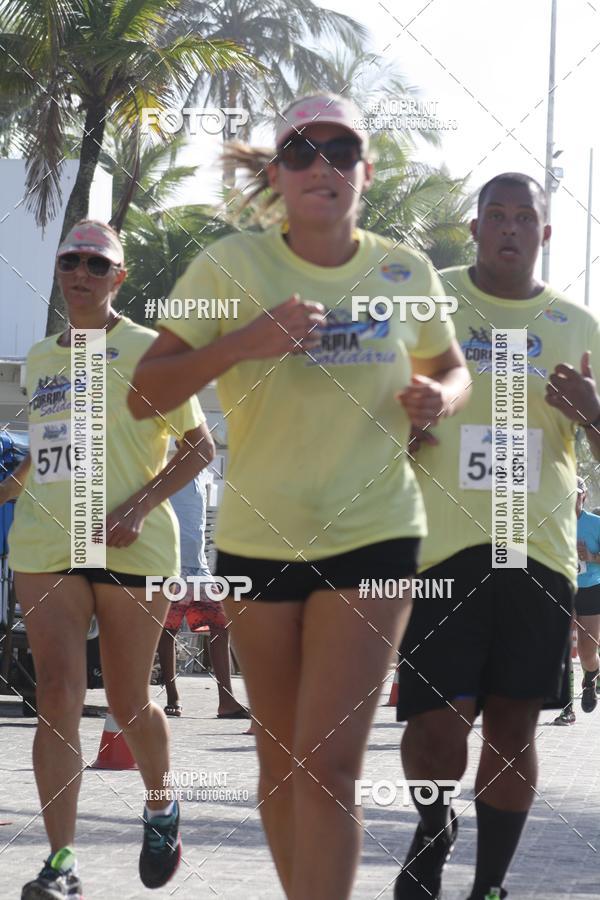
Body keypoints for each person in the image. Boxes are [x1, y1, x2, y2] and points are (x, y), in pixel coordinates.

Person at [128, 93, 471, 900]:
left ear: (366, 172)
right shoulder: (228, 268)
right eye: (303, 150)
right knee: (280, 767)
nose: (323, 164)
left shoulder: (403, 269)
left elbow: (451, 366)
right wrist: (248, 341)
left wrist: (440, 398)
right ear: (278, 173)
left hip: (377, 536)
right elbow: (146, 393)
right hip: (259, 539)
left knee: (328, 764)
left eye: (341, 150)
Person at [394, 173, 600, 900]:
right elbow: (366, 409)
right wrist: (401, 426)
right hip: (441, 549)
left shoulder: (580, 326)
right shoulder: (431, 303)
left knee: (514, 727)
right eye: (496, 216)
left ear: (545, 234)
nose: (510, 228)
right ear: (475, 226)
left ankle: (488, 887)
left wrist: (594, 413)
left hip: (538, 550)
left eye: (525, 218)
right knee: (435, 724)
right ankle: (430, 828)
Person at [0, 220, 213, 900]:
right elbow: (49, 446)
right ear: (59, 272)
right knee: (57, 695)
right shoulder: (40, 358)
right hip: (45, 543)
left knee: (127, 700)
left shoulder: (151, 351)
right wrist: (14, 483)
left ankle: (160, 803)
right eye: (72, 261)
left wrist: (139, 506)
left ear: (118, 277)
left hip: (130, 543)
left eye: (97, 263)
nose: (82, 272)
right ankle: (61, 864)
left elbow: (199, 448)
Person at [157, 468, 249, 718]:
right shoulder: (164, 467)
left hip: (199, 566)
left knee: (221, 625)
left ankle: (226, 700)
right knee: (166, 631)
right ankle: (172, 695)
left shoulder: (204, 474)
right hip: (170, 563)